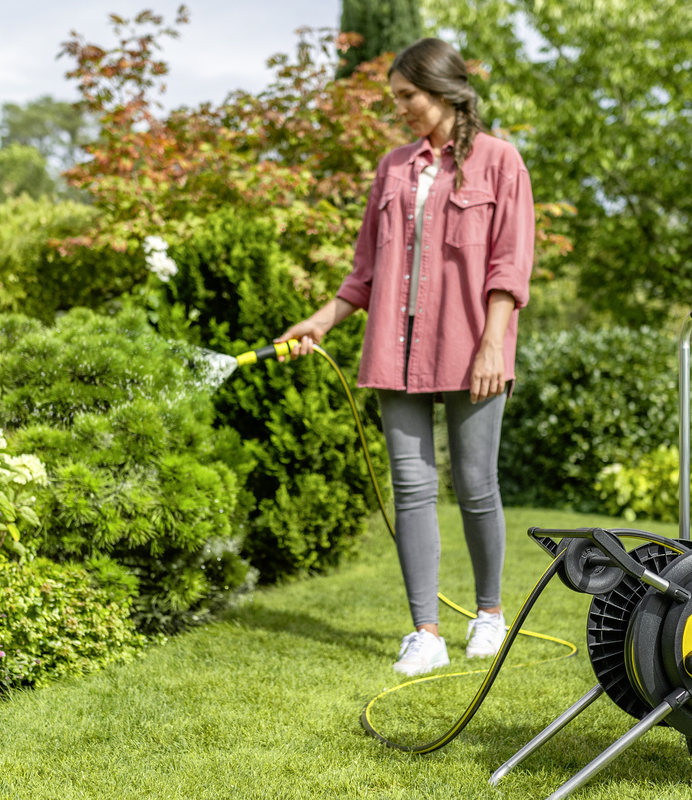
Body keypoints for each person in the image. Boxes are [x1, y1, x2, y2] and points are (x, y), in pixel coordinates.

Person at [276, 37, 534, 677]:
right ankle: (425, 631)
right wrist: (320, 321)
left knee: (476, 487)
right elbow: (364, 273)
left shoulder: (501, 162)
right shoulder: (393, 169)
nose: (401, 110)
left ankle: (490, 616)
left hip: (473, 347)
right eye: (396, 100)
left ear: (444, 91)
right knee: (412, 491)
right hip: (396, 350)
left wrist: (493, 346)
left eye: (408, 97)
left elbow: (509, 266)